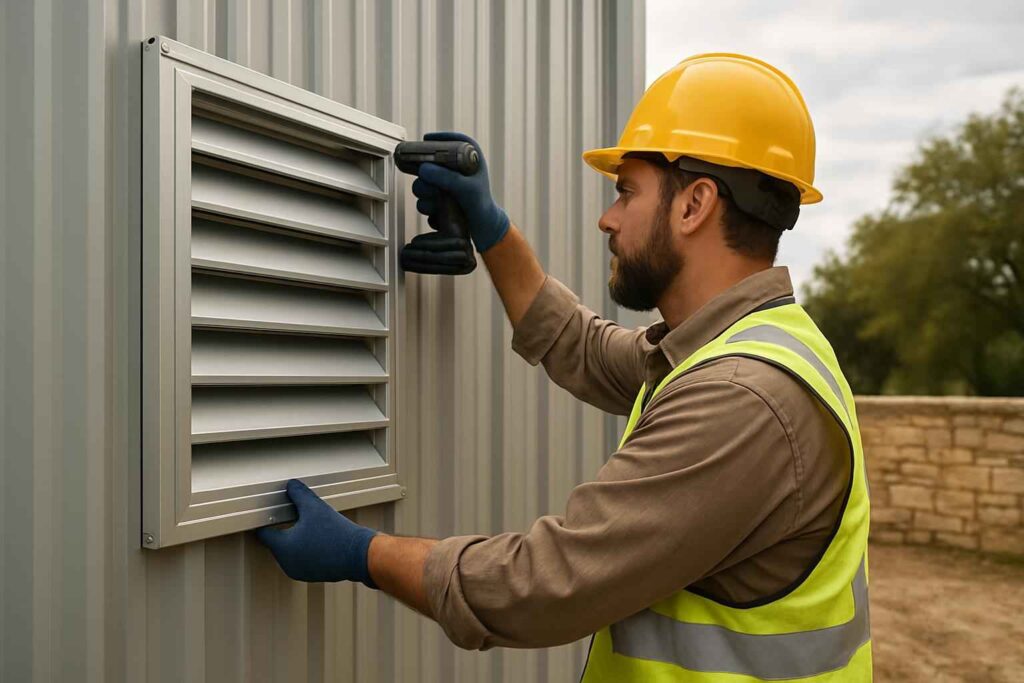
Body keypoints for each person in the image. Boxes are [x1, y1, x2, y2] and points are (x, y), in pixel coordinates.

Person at [257, 53, 872, 682]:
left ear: (695, 205)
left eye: (626, 192)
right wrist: (492, 231)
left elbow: (542, 588)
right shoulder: (749, 347)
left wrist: (363, 555)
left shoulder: (743, 399)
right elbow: (586, 347)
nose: (607, 217)